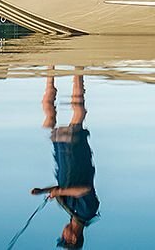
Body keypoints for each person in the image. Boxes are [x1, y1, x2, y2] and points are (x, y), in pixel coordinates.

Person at [31, 72, 100, 249]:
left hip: (62, 158)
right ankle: (78, 70)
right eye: (64, 238)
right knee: (77, 111)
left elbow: (59, 190)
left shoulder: (70, 211)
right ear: (73, 239)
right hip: (77, 158)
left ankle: (50, 72)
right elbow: (83, 190)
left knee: (48, 116)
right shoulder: (88, 212)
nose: (62, 233)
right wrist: (59, 192)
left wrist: (42, 191)